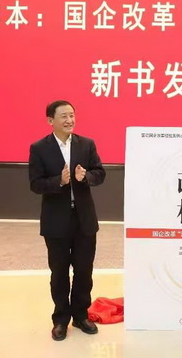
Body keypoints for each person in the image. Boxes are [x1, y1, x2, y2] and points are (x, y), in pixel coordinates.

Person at [29, 100, 106, 340]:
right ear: (50, 120)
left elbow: (100, 173)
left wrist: (86, 177)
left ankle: (81, 315)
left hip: (84, 219)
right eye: (63, 116)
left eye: (72, 115)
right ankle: (61, 319)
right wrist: (58, 182)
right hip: (56, 221)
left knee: (84, 271)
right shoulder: (39, 148)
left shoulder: (86, 144)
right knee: (59, 272)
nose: (69, 120)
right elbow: (35, 184)